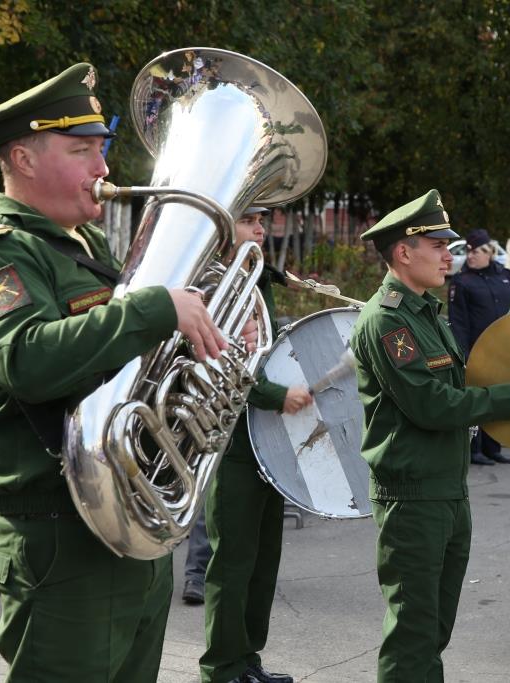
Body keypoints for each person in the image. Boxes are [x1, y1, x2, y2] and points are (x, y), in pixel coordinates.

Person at [0, 63, 229, 680]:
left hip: (131, 522)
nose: (102, 169)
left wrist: (211, 335)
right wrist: (156, 309)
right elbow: (27, 359)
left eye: (100, 150)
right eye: (82, 151)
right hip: (62, 537)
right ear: (23, 158)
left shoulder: (85, 248)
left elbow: (128, 367)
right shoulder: (0, 253)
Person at [350, 189, 510, 683]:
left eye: (448, 245)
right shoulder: (388, 320)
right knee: (413, 634)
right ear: (403, 252)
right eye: (437, 245)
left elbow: (460, 383)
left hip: (446, 488)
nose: (448, 255)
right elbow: (432, 404)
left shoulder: (426, 312)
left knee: (433, 628)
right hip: (412, 494)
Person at [200, 206, 312, 683]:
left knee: (264, 560)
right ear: (224, 228)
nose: (260, 229)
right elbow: (214, 360)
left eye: (261, 221)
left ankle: (248, 659)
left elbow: (261, 351)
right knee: (233, 562)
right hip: (231, 442)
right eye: (248, 221)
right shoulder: (208, 283)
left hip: (265, 438)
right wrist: (275, 395)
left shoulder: (257, 278)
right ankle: (222, 667)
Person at [448, 227, 510, 465]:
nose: (471, 256)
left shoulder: (505, 276)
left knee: (499, 396)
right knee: (478, 398)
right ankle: (475, 448)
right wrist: (463, 355)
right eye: (468, 252)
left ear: (488, 251)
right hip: (477, 350)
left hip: (505, 351)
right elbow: (458, 323)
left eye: (475, 251)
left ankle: (493, 447)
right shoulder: (461, 281)